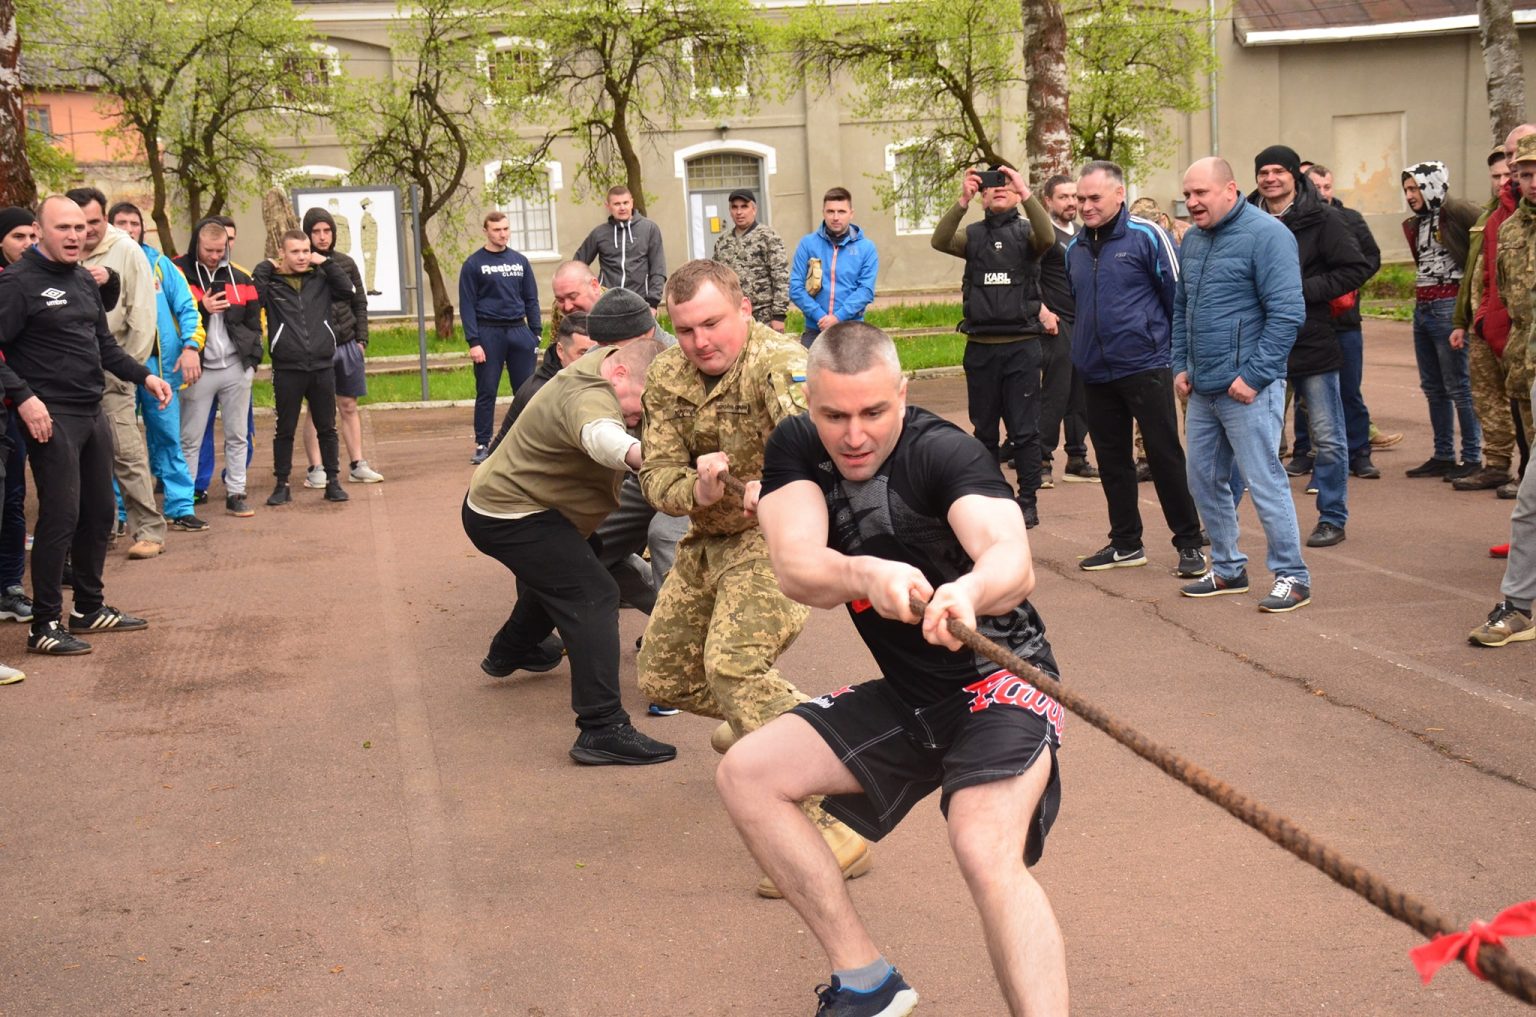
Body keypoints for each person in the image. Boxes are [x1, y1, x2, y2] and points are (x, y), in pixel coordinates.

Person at [720, 321, 1066, 1016]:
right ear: (809, 402)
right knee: (748, 773)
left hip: (1003, 687)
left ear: (902, 394)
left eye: (874, 412)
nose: (854, 435)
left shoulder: (942, 451)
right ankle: (866, 981)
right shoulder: (796, 446)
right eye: (835, 416)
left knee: (981, 844)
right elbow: (796, 566)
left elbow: (1011, 558)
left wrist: (969, 590)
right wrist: (863, 572)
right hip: (912, 696)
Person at [637, 259, 872, 897]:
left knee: (733, 668)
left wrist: (781, 485)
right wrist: (698, 488)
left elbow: (824, 449)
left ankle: (837, 827)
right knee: (664, 677)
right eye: (685, 329)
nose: (700, 341)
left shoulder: (779, 362)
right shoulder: (668, 373)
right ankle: (760, 721)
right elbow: (656, 476)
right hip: (706, 540)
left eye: (712, 323)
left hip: (774, 540)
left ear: (743, 309)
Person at [463, 337, 678, 762]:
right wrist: (656, 458)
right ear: (620, 374)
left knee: (575, 566)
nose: (641, 418)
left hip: (520, 507)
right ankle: (602, 728)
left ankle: (512, 650)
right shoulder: (589, 397)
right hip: (510, 516)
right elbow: (601, 437)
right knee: (593, 594)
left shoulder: (606, 363)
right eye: (640, 407)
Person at [0, 196, 173, 654]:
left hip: (92, 409)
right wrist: (25, 398)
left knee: (99, 513)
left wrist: (145, 375)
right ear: (40, 231)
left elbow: (104, 346)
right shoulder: (17, 283)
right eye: (63, 228)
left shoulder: (81, 279)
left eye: (80, 227)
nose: (75, 235)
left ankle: (88, 608)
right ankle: (43, 626)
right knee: (61, 516)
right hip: (50, 415)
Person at [1173, 158, 1311, 612]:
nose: (1192, 202)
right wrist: (1181, 364)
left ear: (1230, 189)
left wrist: (1253, 377)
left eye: (1201, 193)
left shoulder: (1268, 235)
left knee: (1264, 481)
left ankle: (1293, 576)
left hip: (1249, 390)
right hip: (1204, 389)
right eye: (1187, 194)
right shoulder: (1193, 240)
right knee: (1203, 480)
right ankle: (1228, 568)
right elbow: (1182, 307)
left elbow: (1287, 313)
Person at [1065, 160, 1206, 579]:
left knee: (1164, 457)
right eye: (1080, 199)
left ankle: (1189, 542)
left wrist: (1177, 356)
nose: (1086, 206)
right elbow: (1077, 304)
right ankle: (1126, 543)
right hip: (1095, 371)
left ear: (1119, 194)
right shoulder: (1074, 249)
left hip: (1145, 365)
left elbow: (1177, 297)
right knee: (1112, 461)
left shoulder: (1147, 235)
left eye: (1094, 197)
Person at [1249, 145, 1371, 548]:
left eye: (1278, 171)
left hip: (1313, 339)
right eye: (1263, 172)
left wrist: (1300, 292)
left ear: (1294, 176)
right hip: (1263, 344)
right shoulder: (1244, 218)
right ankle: (1233, 523)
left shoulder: (1324, 217)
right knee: (1253, 437)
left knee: (1328, 436)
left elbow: (1355, 268)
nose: (1270, 179)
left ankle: (1332, 517)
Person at [929, 164, 1056, 527]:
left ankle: (1027, 500)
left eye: (1006, 184)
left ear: (1016, 193)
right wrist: (962, 199)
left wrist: (1025, 190)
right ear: (982, 195)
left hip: (1022, 346)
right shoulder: (972, 236)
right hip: (981, 347)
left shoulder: (1028, 234)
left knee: (1025, 431)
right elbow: (939, 240)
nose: (999, 189)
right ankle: (991, 495)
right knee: (984, 431)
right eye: (991, 185)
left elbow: (1048, 237)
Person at [68, 187, 168, 559]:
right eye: (79, 223)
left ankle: (149, 531)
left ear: (105, 218)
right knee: (81, 457)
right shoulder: (65, 250)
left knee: (125, 453)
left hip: (114, 369)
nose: (86, 230)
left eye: (94, 222)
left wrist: (128, 370)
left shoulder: (126, 250)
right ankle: (101, 528)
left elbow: (142, 315)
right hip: (71, 375)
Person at [106, 201, 208, 535]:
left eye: (134, 223)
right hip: (116, 367)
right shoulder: (99, 264)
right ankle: (118, 514)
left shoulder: (161, 265)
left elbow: (188, 307)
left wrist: (191, 347)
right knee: (117, 444)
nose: (128, 229)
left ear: (142, 228)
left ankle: (180, 506)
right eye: (121, 223)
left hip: (158, 367)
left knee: (167, 438)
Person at [1460, 127, 1536, 502]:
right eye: (1525, 173)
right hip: (1518, 344)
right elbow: (1492, 278)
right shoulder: (1508, 225)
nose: (1529, 181)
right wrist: (1477, 319)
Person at [251, 229, 354, 506]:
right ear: (282, 253)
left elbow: (348, 291)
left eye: (306, 251)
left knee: (327, 427)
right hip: (287, 368)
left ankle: (333, 482)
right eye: (295, 251)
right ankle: (282, 484)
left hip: (321, 365)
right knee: (285, 429)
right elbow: (254, 300)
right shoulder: (273, 283)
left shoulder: (321, 278)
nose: (301, 257)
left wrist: (326, 263)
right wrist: (264, 267)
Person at [1302, 164, 1390, 479]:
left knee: (1349, 390)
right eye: (1316, 187)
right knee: (1306, 395)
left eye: (1327, 186)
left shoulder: (1349, 218)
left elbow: (1369, 259)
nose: (1323, 193)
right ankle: (1303, 453)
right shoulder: (1298, 222)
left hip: (1346, 321)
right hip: (1310, 321)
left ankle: (1360, 453)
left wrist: (1343, 288)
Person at [1401, 160, 1483, 480]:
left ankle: (1472, 456)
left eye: (1415, 188)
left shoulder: (1457, 211)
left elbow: (1486, 239)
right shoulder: (1418, 222)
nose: (1410, 195)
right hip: (1422, 308)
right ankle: (1443, 454)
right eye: (1406, 189)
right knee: (1433, 387)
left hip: (1448, 306)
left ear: (1432, 185)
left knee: (1458, 385)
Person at [174, 220, 263, 517]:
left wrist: (252, 362)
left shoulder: (241, 278)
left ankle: (236, 492)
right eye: (208, 250)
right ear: (196, 245)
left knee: (238, 434)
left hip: (236, 366)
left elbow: (255, 323)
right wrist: (203, 308)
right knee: (190, 438)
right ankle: (184, 501)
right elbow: (171, 316)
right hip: (198, 369)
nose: (214, 256)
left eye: (220, 250)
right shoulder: (178, 273)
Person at [301, 207, 383, 486]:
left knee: (348, 405)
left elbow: (359, 302)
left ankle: (358, 464)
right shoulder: (302, 265)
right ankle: (316, 468)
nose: (323, 237)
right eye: (316, 232)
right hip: (316, 349)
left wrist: (361, 340)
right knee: (316, 409)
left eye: (327, 231)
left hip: (347, 345)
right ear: (308, 234)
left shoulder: (345, 263)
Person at [461, 211, 542, 465]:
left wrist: (536, 333)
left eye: (506, 229)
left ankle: (527, 441)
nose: (502, 234)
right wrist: (474, 341)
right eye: (497, 230)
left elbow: (531, 298)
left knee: (526, 391)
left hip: (519, 331)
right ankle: (482, 444)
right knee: (487, 390)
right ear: (486, 231)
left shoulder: (520, 261)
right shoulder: (474, 264)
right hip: (488, 333)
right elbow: (467, 305)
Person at [1037, 175, 1096, 488]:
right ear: (1048, 200)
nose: (1072, 202)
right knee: (1056, 394)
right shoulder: (1043, 234)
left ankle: (1076, 459)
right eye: (1064, 197)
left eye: (1075, 196)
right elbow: (1028, 278)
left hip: (1084, 324)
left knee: (1081, 395)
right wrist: (1043, 313)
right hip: (1056, 326)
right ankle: (1041, 460)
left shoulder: (1083, 233)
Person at [0, 207, 36, 684]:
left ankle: (9, 586)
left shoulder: (36, 278)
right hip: (16, 398)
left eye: (32, 234)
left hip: (15, 406)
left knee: (13, 500)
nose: (27, 242)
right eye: (17, 235)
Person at [789, 187, 879, 349]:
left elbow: (865, 291)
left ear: (851, 213)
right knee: (809, 367)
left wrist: (838, 317)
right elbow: (796, 288)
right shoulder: (807, 244)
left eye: (841, 211)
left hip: (852, 330)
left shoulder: (866, 248)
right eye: (830, 211)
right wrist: (820, 316)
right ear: (823, 213)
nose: (836, 217)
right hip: (815, 329)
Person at [573, 186, 667, 308]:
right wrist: (587, 293)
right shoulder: (599, 233)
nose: (622, 208)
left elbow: (658, 269)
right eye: (617, 204)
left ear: (632, 203)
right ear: (608, 206)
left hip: (640, 303)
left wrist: (653, 303)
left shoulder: (649, 229)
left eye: (625, 203)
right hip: (607, 303)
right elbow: (577, 266)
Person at [710, 188, 789, 332]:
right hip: (732, 314)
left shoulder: (768, 237)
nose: (739, 212)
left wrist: (779, 315)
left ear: (754, 209)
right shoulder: (722, 241)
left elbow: (781, 277)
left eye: (744, 206)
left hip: (763, 316)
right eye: (735, 207)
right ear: (730, 211)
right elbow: (716, 278)